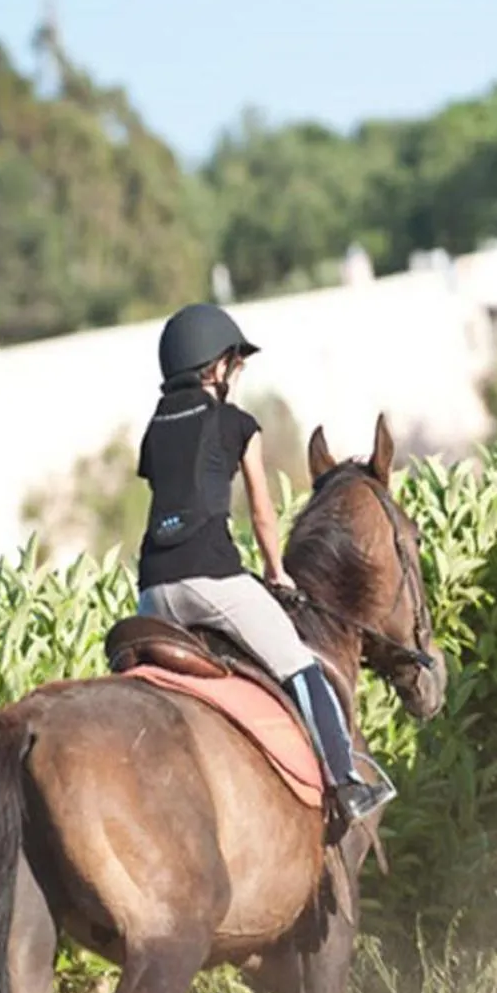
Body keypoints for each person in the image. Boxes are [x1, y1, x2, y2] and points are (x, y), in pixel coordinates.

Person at [133, 304, 395, 822]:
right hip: (211, 579)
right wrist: (276, 570)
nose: (238, 374)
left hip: (151, 591)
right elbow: (260, 512)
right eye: (236, 364)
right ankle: (345, 782)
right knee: (302, 667)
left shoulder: (153, 431)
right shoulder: (237, 424)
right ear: (216, 368)